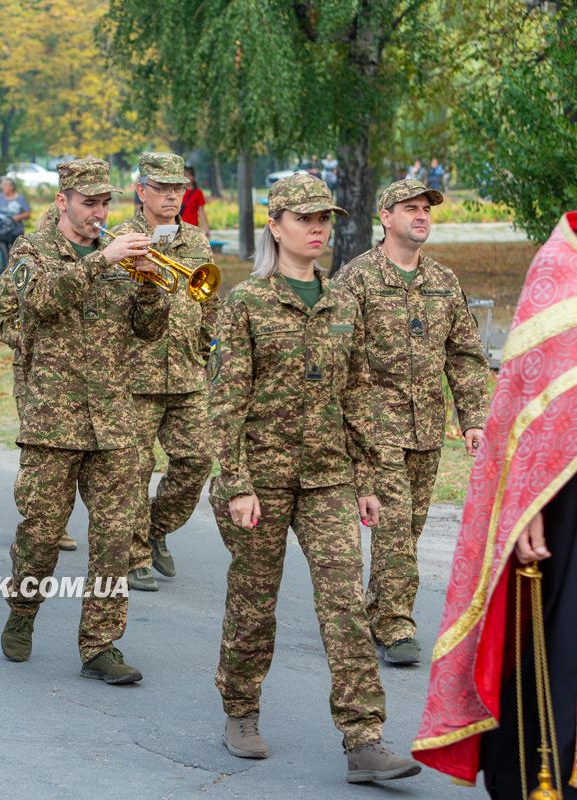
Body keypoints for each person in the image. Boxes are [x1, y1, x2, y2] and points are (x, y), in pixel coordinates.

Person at [210, 173, 419, 782]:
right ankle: (241, 708)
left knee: (345, 605)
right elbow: (224, 404)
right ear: (275, 227)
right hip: (263, 480)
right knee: (254, 602)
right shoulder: (246, 303)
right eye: (305, 219)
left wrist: (367, 479)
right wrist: (237, 483)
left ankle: (364, 739)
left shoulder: (340, 301)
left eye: (324, 219)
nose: (318, 229)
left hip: (329, 477)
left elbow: (356, 396)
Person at [413, 210, 577, 797]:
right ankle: (537, 781)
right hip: (561, 494)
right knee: (558, 649)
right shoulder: (561, 264)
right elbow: (526, 402)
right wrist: (524, 503)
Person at [0, 157, 167, 685]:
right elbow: (37, 303)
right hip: (54, 418)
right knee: (42, 534)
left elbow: (149, 331)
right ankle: (23, 610)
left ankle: (101, 645)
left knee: (117, 537)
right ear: (63, 202)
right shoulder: (32, 252)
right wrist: (102, 262)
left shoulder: (120, 252)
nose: (98, 212)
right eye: (88, 202)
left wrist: (148, 285)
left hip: (115, 419)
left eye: (104, 203)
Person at [335, 178, 489, 666]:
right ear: (385, 216)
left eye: (426, 208)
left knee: (409, 528)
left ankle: (377, 608)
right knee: (396, 526)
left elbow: (463, 354)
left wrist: (473, 419)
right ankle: (395, 626)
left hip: (426, 428)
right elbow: (335, 358)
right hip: (374, 428)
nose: (421, 215)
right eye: (409, 208)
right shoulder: (355, 279)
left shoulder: (443, 280)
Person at [113, 153, 219, 592]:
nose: (173, 195)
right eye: (163, 188)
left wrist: (208, 342)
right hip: (135, 376)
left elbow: (209, 298)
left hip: (188, 374)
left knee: (196, 459)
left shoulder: (195, 238)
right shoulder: (122, 238)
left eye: (179, 188)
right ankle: (134, 554)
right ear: (142, 192)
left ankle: (155, 530)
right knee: (134, 469)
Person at [0, 207, 78, 555]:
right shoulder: (30, 262)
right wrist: (31, 341)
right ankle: (45, 523)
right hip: (35, 373)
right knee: (43, 452)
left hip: (83, 376)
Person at [178, 166, 210, 237]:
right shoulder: (178, 191)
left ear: (193, 177)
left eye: (189, 175)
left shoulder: (198, 193)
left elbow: (201, 212)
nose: (187, 178)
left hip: (192, 229)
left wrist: (206, 229)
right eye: (184, 175)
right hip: (178, 228)